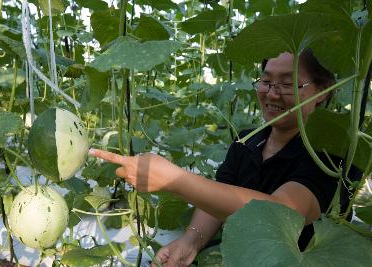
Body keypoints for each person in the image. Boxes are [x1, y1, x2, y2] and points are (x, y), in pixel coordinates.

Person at [89, 50, 360, 267]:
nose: (272, 93)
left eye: (288, 84)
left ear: (323, 91)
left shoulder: (334, 152)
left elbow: (280, 213)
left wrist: (176, 180)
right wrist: (190, 241)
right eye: (265, 81)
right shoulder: (247, 140)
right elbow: (216, 196)